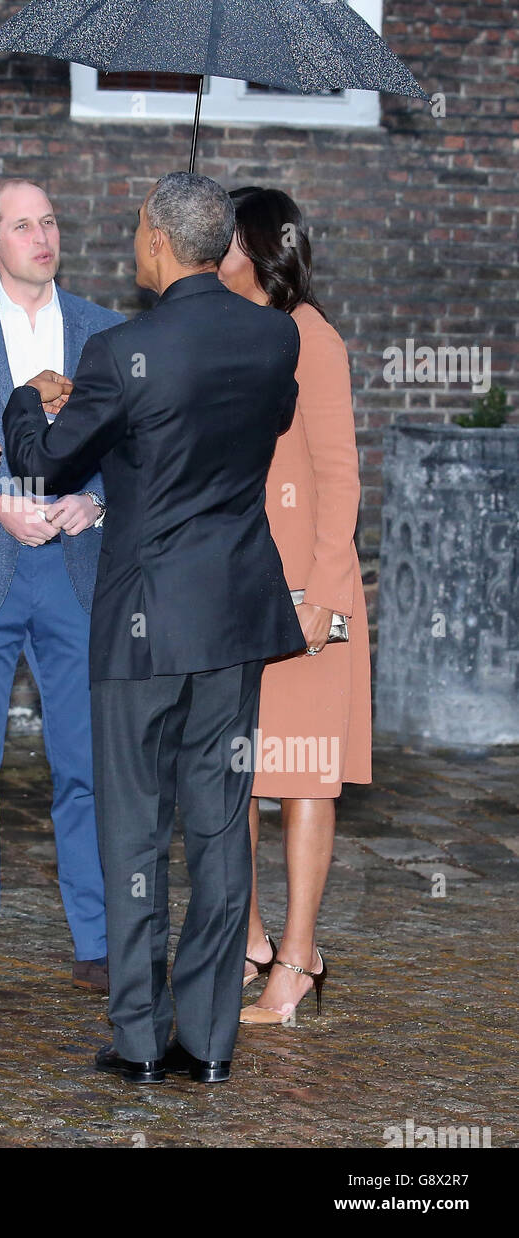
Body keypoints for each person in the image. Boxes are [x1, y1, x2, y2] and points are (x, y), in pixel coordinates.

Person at [3, 172, 305, 1085]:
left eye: (139, 231)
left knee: (134, 831)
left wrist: (31, 398)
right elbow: (250, 428)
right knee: (219, 826)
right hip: (233, 620)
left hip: (139, 627)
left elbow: (49, 467)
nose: (134, 244)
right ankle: (209, 1041)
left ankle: (138, 1040)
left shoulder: (119, 351)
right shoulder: (274, 337)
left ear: (163, 246)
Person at [0, 178, 122, 1004]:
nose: (41, 236)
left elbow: (136, 454)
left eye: (50, 221)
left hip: (76, 573)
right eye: (22, 224)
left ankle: (99, 942)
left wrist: (97, 502)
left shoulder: (107, 334)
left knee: (84, 765)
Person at [218, 186, 372, 1025]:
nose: (216, 254)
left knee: (306, 777)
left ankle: (299, 961)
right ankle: (248, 940)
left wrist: (316, 593)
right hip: (242, 592)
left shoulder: (312, 338)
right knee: (233, 775)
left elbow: (341, 476)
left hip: (312, 595)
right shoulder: (236, 337)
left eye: (227, 242)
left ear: (261, 249)